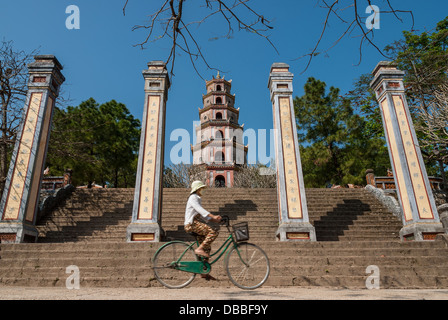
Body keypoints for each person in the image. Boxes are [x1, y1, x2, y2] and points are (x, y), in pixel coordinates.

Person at [184, 181, 222, 259]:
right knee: (213, 232)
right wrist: (213, 216)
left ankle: (203, 265)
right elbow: (200, 209)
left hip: (195, 223)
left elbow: (203, 216)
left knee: (206, 248)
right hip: (191, 224)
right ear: (197, 189)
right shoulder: (193, 197)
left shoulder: (197, 198)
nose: (203, 190)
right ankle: (199, 249)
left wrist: (216, 220)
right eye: (202, 188)